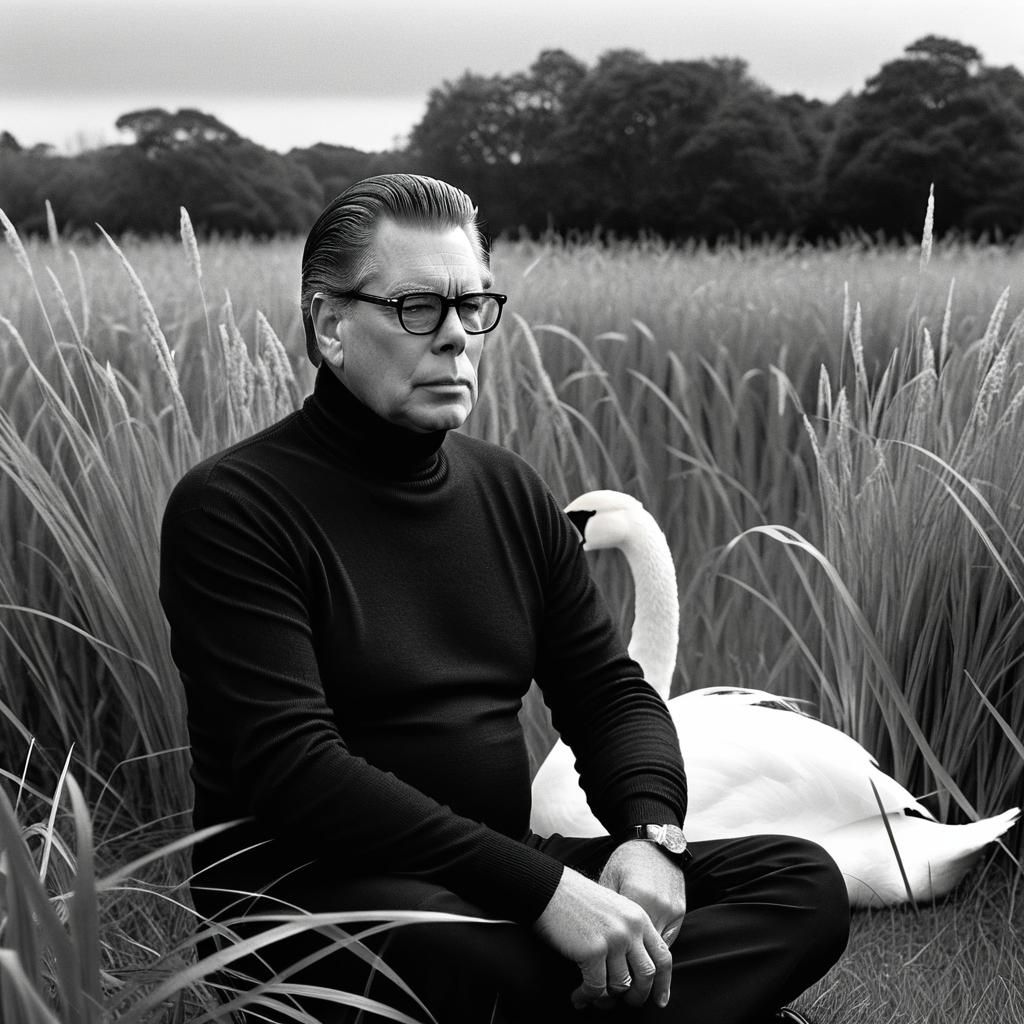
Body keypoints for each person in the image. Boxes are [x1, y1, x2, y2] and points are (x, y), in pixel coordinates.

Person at [159, 173, 849, 1024]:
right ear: (331, 326)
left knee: (800, 882)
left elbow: (606, 693)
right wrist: (546, 891)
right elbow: (296, 772)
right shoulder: (234, 508)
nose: (455, 338)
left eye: (474, 306)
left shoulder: (509, 493)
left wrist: (649, 836)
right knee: (472, 955)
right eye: (418, 308)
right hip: (314, 904)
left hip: (498, 877)